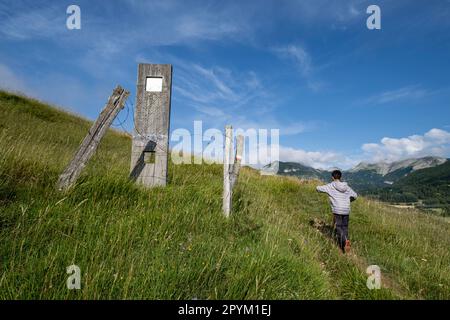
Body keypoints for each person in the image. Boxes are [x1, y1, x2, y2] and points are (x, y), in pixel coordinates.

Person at [316, 170, 357, 253]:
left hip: (337, 210)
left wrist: (316, 187)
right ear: (340, 177)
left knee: (338, 227)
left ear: (332, 177)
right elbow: (355, 196)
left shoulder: (330, 186)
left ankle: (345, 242)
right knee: (344, 227)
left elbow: (318, 189)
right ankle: (345, 244)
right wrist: (349, 201)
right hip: (346, 210)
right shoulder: (346, 187)